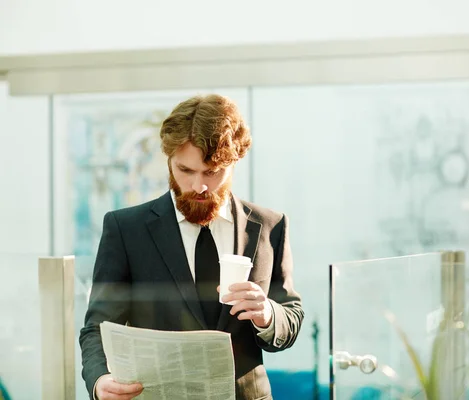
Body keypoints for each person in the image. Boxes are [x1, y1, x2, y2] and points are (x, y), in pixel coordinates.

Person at [79, 94, 304, 400]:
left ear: (234, 161)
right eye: (185, 170)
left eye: (212, 172)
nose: (199, 185)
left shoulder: (270, 226)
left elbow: (290, 316)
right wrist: (99, 379)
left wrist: (267, 314)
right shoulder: (125, 229)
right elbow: (98, 326)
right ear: (169, 160)